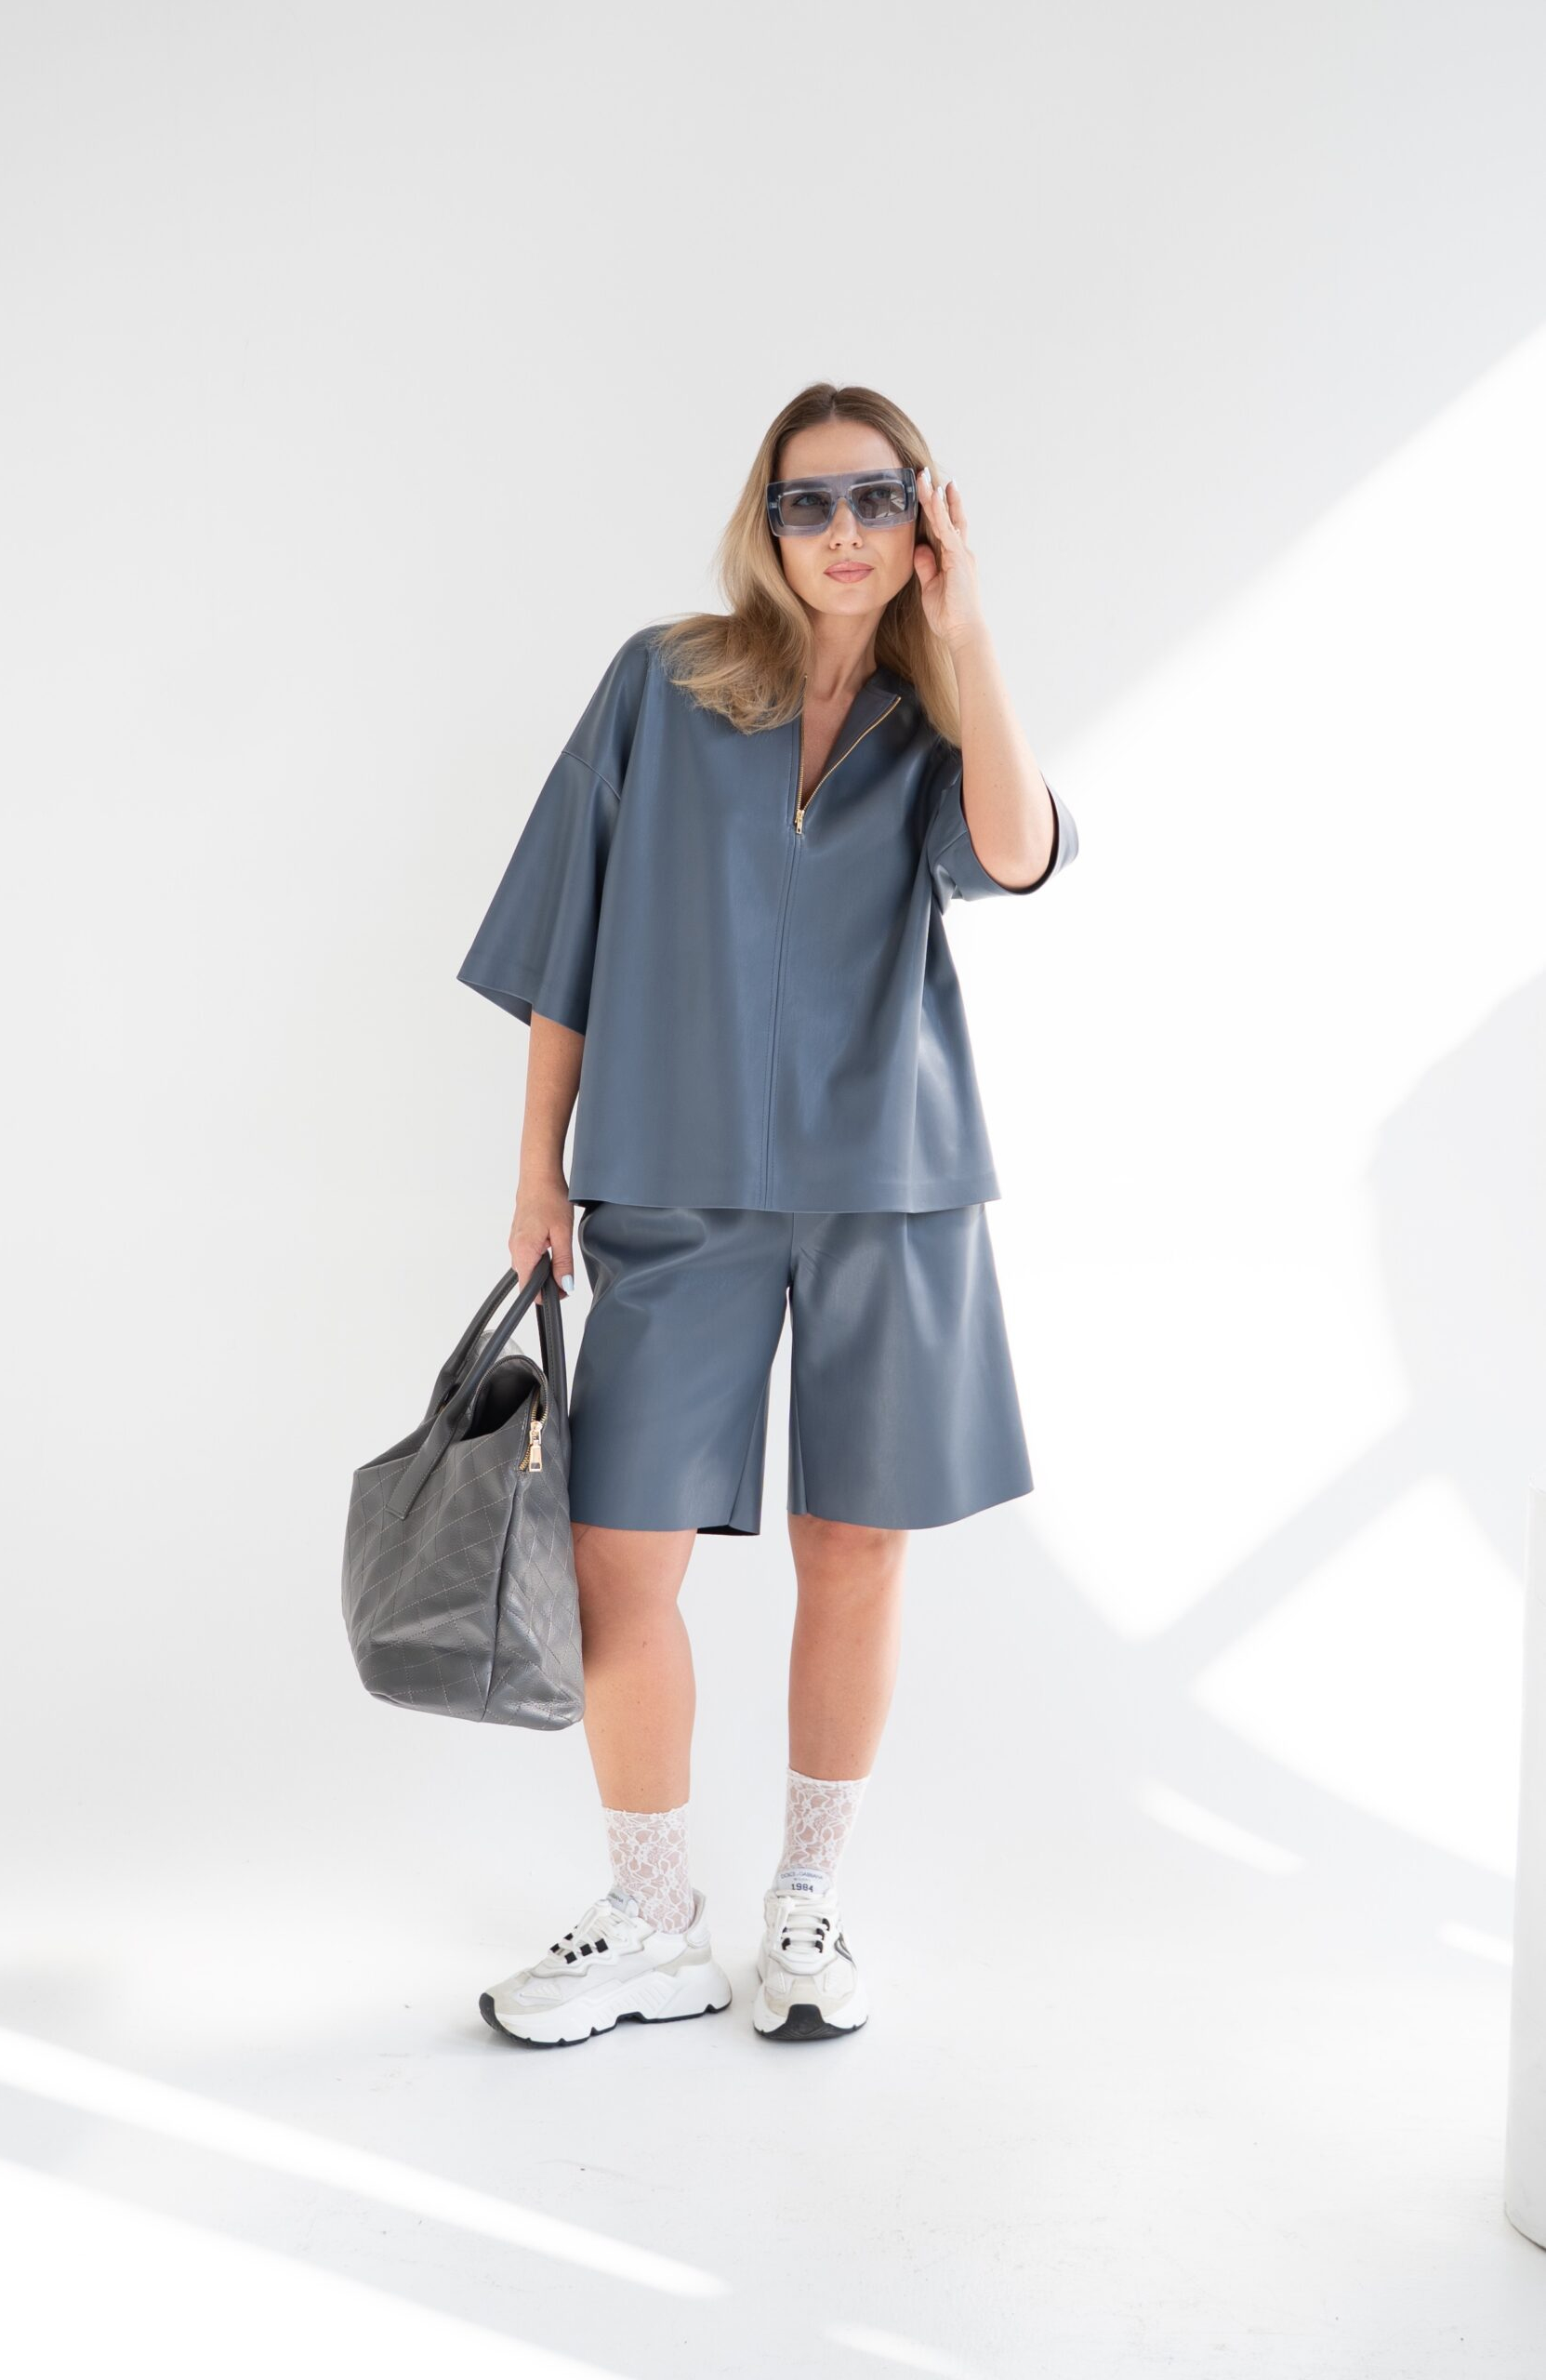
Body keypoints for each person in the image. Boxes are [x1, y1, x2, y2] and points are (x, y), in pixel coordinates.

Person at [456, 381, 1078, 2047]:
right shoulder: (662, 684)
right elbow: (566, 934)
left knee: (854, 1545)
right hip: (672, 1181)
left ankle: (807, 1902)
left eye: (879, 498)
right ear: (768, 521)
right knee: (616, 1555)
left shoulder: (940, 719)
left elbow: (1018, 856)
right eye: (811, 503)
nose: (844, 531)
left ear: (923, 517)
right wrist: (537, 1169)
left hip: (892, 1183)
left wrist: (970, 631)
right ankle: (656, 1917)